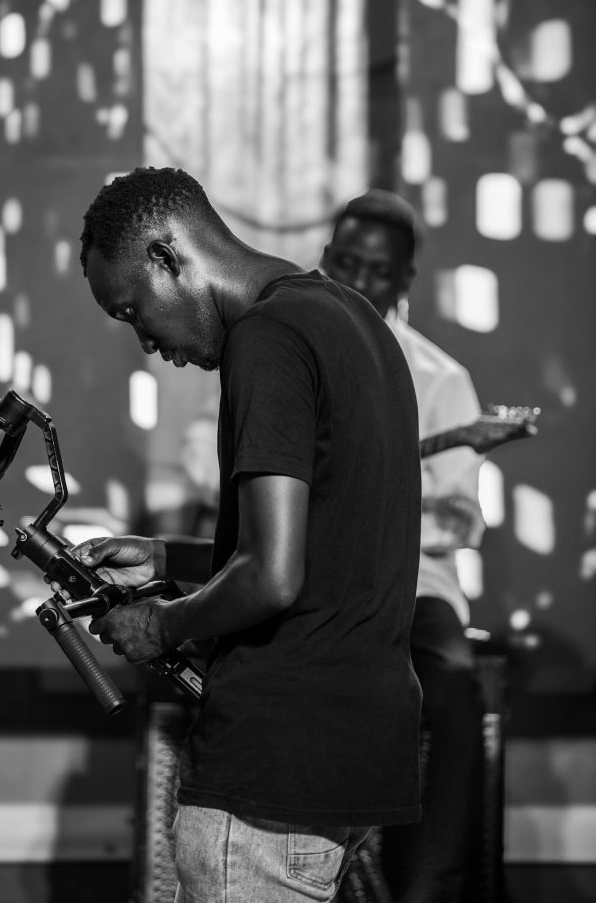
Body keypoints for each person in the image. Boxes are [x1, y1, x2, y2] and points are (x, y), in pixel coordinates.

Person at [75, 167, 423, 903]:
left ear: (168, 255)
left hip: (270, 766)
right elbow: (334, 543)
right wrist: (170, 558)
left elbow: (271, 577)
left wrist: (160, 624)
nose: (144, 340)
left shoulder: (265, 338)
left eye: (133, 309)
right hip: (356, 750)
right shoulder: (355, 319)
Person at [321, 188, 486, 903]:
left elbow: (458, 524)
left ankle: (426, 890)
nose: (358, 283)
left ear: (404, 282)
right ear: (325, 260)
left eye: (378, 271)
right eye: (346, 263)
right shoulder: (278, 353)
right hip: (304, 577)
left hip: (413, 586)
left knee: (452, 680)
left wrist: (380, 493)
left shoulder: (444, 382)